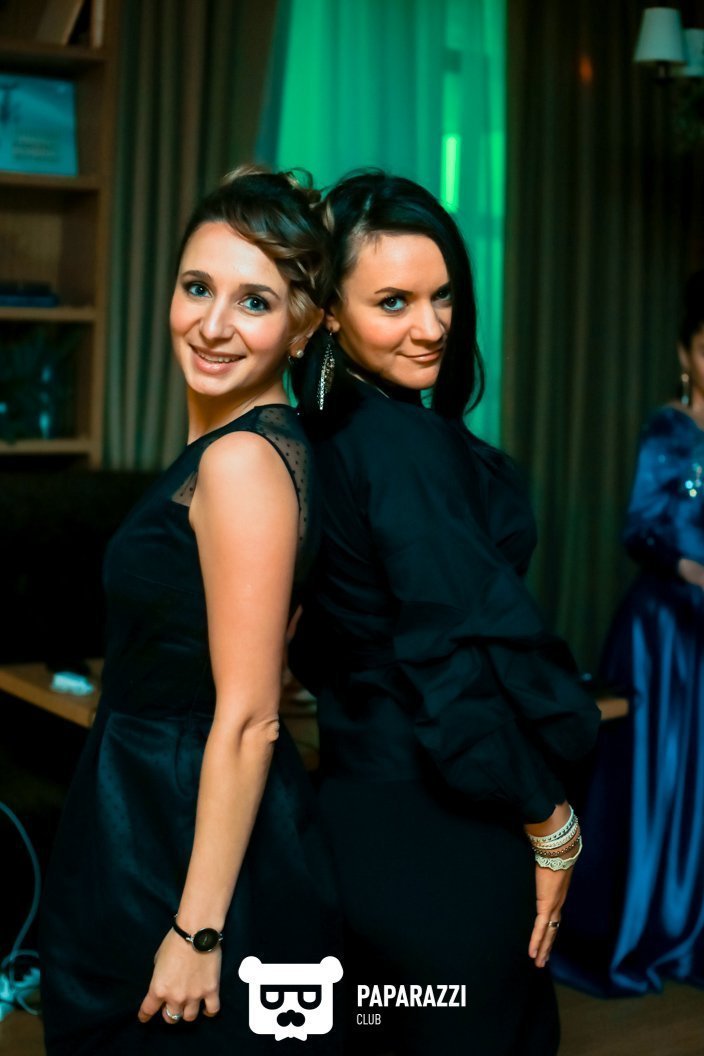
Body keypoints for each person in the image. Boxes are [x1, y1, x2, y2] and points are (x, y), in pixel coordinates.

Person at [288, 171, 601, 1055]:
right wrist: (550, 822)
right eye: (393, 302)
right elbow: (453, 662)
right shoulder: (398, 445)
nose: (430, 326)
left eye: (443, 296)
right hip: (440, 831)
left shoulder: (319, 432)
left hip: (354, 817)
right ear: (331, 312)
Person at [39, 167, 342, 1054]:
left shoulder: (241, 462)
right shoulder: (250, 448)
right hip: (153, 800)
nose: (211, 324)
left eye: (255, 302)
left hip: (176, 830)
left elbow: (251, 717)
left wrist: (197, 931)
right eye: (198, 287)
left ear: (304, 327)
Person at [553, 286, 704, 996]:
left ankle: (691, 925)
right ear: (685, 355)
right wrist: (693, 568)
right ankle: (643, 927)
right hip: (665, 633)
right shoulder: (670, 428)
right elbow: (639, 528)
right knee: (655, 781)